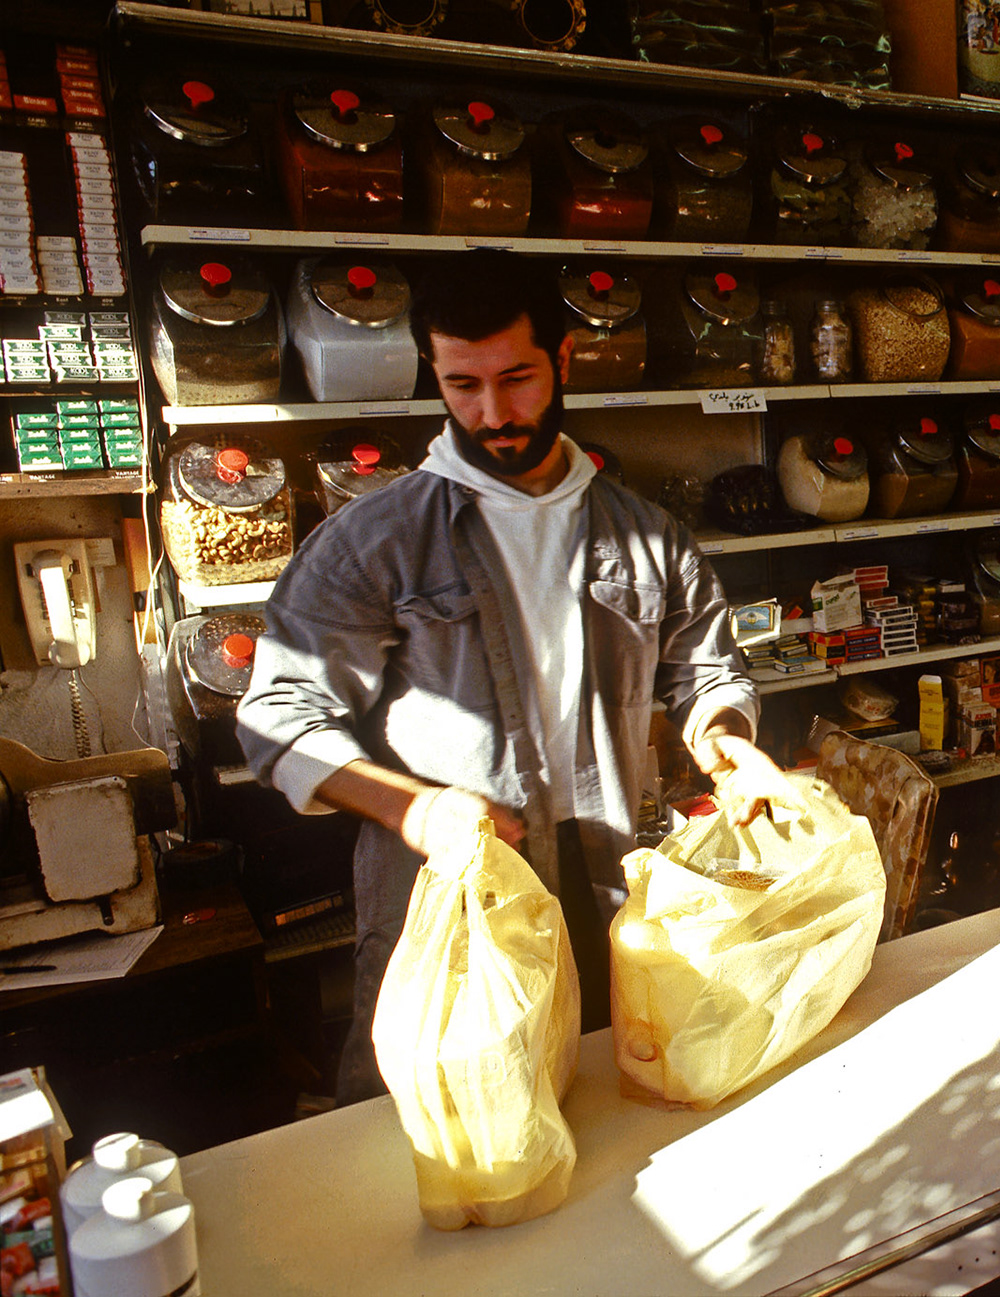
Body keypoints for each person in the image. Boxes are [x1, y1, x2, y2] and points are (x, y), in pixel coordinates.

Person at [238, 249, 790, 1103]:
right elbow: (278, 718)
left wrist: (726, 742)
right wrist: (415, 807)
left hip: (612, 881)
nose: (493, 413)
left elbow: (706, 668)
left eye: (517, 379)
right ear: (432, 370)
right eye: (462, 385)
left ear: (562, 359)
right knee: (447, 1122)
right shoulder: (373, 541)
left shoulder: (647, 534)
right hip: (451, 903)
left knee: (619, 1101)